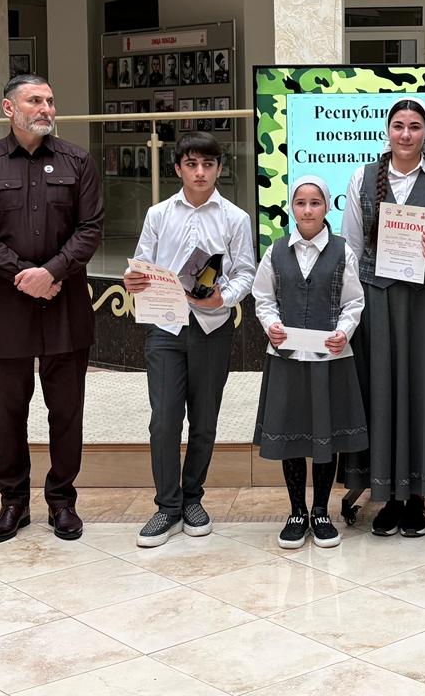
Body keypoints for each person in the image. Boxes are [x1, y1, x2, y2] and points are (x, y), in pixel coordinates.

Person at [0, 74, 104, 543]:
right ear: (9, 108)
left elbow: (91, 227)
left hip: (65, 305)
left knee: (66, 410)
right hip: (7, 305)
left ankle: (62, 501)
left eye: (50, 101)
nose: (46, 109)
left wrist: (53, 273)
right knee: (9, 410)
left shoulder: (78, 161)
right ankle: (13, 502)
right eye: (35, 101)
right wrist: (25, 275)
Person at [124, 132, 256, 547]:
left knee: (204, 419)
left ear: (220, 168)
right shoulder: (158, 214)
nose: (200, 172)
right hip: (165, 328)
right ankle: (167, 505)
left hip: (212, 328)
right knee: (164, 419)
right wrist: (132, 279)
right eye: (192, 164)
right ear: (178, 167)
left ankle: (193, 498)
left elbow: (246, 273)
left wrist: (224, 297)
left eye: (208, 164)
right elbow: (141, 264)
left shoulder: (235, 218)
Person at [339, 97, 425, 537]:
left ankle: (417, 499)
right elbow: (351, 247)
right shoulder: (363, 177)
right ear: (387, 131)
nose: (406, 134)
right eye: (398, 125)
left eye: (414, 126)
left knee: (419, 390)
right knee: (382, 392)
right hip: (376, 300)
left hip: (424, 302)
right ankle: (387, 496)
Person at [254, 175, 368, 550]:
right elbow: (263, 298)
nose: (307, 210)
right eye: (300, 203)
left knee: (324, 435)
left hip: (329, 359)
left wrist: (344, 331)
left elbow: (354, 301)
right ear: (292, 207)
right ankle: (297, 512)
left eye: (315, 203)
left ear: (327, 207)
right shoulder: (275, 251)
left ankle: (320, 511)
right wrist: (271, 325)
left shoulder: (342, 251)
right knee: (291, 435)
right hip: (286, 357)